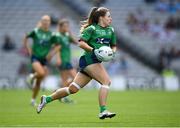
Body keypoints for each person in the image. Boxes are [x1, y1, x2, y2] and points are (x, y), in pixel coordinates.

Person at [37, 7, 117, 119]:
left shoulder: (111, 30)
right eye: (108, 16)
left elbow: (113, 46)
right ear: (101, 17)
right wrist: (94, 50)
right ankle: (103, 111)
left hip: (93, 61)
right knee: (106, 82)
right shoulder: (92, 29)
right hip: (89, 59)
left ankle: (47, 99)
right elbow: (81, 43)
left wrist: (112, 53)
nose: (111, 18)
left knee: (72, 89)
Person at [23, 15, 60, 106]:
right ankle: (30, 78)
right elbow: (26, 37)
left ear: (49, 22)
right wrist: (28, 49)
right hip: (35, 57)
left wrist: (51, 54)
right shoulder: (36, 31)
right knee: (42, 73)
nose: (45, 22)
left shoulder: (52, 34)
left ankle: (32, 100)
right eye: (44, 20)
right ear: (41, 22)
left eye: (47, 21)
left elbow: (58, 45)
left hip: (44, 59)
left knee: (39, 81)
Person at [51, 19, 78, 103]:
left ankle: (59, 92)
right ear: (60, 27)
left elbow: (76, 42)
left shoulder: (66, 35)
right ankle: (62, 96)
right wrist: (58, 58)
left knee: (69, 80)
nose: (67, 27)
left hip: (67, 60)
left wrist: (70, 33)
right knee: (72, 78)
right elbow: (57, 48)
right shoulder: (57, 36)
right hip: (62, 60)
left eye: (67, 26)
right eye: (65, 26)